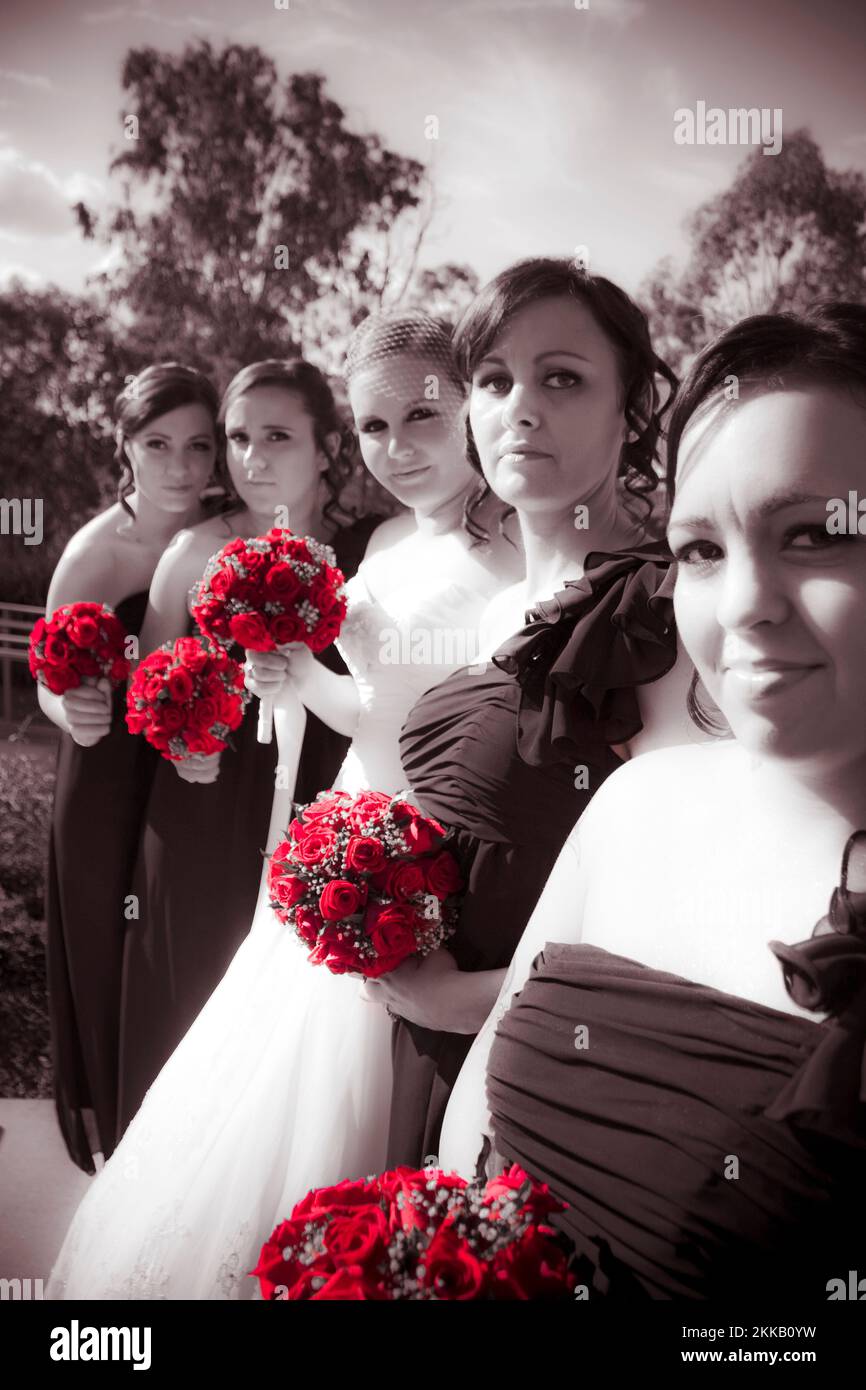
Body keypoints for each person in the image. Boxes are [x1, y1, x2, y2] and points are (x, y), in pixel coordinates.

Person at [47, 311, 521, 1299]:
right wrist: (294, 670)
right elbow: (364, 713)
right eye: (377, 425)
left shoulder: (516, 545)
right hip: (335, 841)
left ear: (474, 403)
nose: (399, 447)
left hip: (423, 854)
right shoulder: (383, 538)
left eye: (423, 416)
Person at [439, 303, 866, 1299]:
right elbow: (476, 1112)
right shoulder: (633, 803)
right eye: (701, 550)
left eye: (807, 534)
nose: (744, 603)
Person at [361, 259, 698, 1169]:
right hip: (435, 1053)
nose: (520, 406)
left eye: (563, 377)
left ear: (632, 412)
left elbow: (681, 924)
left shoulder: (660, 617)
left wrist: (452, 1000)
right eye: (495, 380)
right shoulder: (497, 610)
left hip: (552, 1082)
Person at [116, 359, 382, 1137]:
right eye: (237, 437)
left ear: (328, 446)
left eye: (277, 435)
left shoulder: (371, 552)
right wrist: (178, 747)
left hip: (322, 802)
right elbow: (149, 689)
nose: (252, 457)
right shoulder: (194, 551)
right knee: (197, 982)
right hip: (203, 804)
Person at [41, 362, 219, 1171]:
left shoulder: (227, 528)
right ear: (125, 446)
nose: (181, 467)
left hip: (191, 772)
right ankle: (120, 1135)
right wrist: (67, 710)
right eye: (159, 444)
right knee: (107, 944)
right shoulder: (92, 554)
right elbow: (50, 683)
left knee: (179, 948)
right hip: (104, 780)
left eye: (199, 446)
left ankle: (184, 1134)